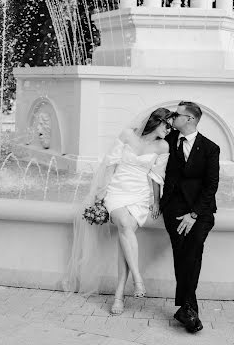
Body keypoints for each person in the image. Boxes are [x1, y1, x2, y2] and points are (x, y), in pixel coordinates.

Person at [65, 107, 172, 315]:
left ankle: (119, 296)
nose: (169, 130)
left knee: (125, 235)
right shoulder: (127, 135)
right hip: (117, 191)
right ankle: (138, 278)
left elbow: (157, 177)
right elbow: (110, 164)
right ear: (156, 121)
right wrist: (101, 193)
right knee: (124, 224)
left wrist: (156, 203)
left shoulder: (163, 146)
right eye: (166, 125)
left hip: (139, 196)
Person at [160, 101, 220, 334]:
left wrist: (194, 214)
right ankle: (188, 309)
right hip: (174, 209)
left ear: (190, 120)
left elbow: (211, 185)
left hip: (201, 212)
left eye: (177, 114)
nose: (173, 117)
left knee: (193, 249)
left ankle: (187, 308)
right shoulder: (166, 140)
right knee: (182, 253)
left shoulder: (210, 148)